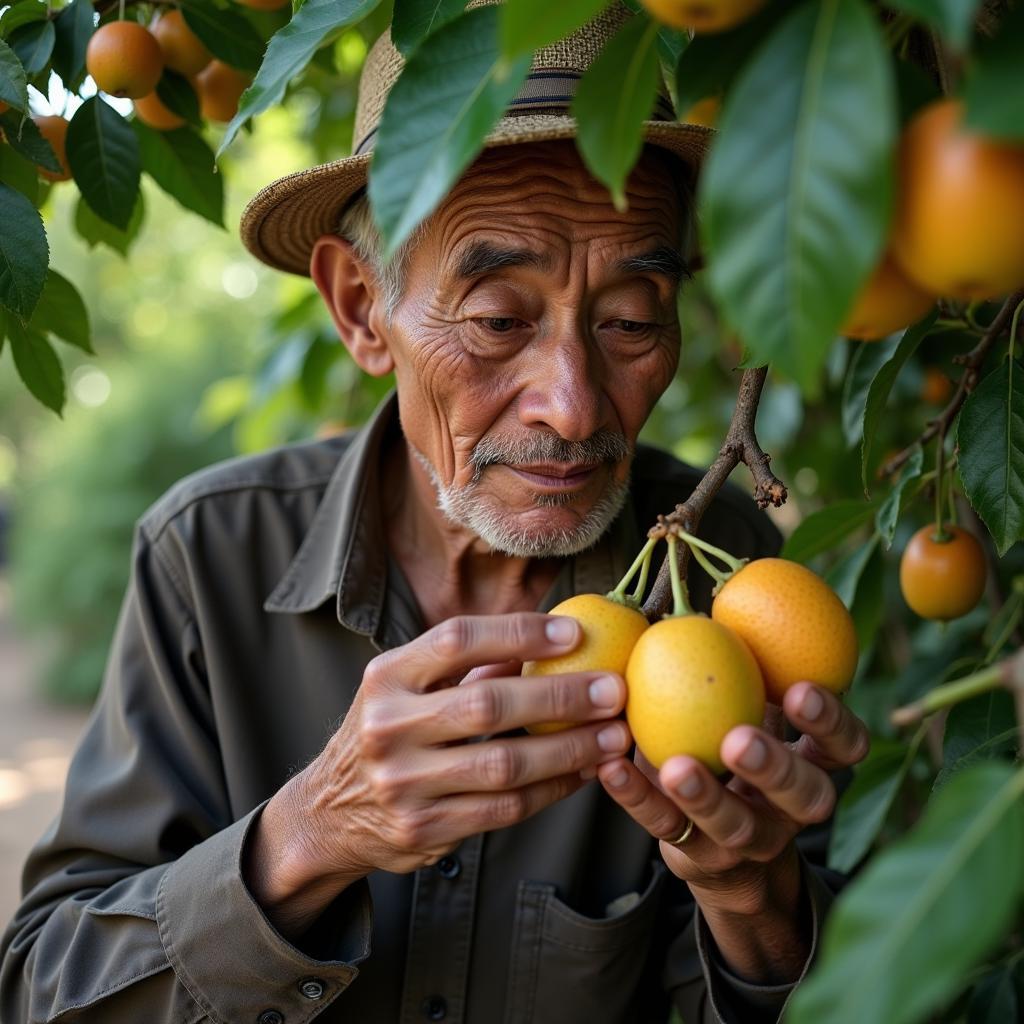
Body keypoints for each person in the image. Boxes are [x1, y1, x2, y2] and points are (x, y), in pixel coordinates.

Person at [0, 4, 868, 1022]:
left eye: (631, 322)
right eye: (500, 320)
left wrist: (751, 900)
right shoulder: (210, 558)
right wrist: (308, 835)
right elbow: (41, 988)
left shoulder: (729, 585)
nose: (574, 405)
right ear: (363, 309)